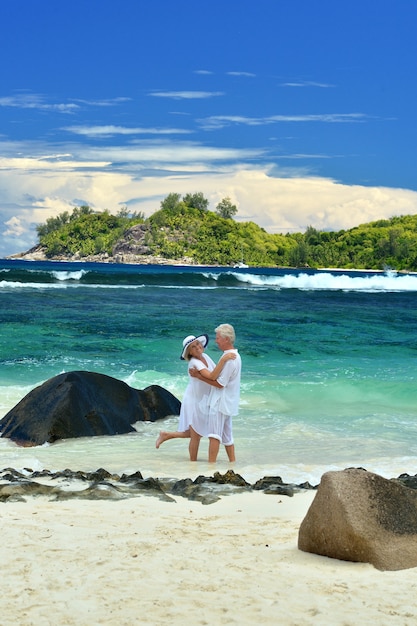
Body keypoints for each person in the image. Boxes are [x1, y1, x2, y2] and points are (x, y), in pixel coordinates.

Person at [155, 334, 235, 449]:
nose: (197, 347)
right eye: (193, 347)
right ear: (190, 353)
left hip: (204, 400)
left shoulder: (205, 356)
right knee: (196, 435)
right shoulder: (194, 363)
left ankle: (166, 435)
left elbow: (217, 373)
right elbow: (212, 376)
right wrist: (223, 359)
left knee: (198, 432)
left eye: (197, 344)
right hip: (194, 401)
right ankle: (192, 463)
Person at [189, 323, 241, 463]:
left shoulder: (229, 359)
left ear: (226, 339)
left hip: (220, 402)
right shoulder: (235, 356)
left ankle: (211, 467)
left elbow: (219, 383)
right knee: (227, 436)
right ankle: (233, 463)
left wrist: (199, 377)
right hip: (228, 402)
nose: (216, 340)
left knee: (214, 436)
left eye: (218, 338)